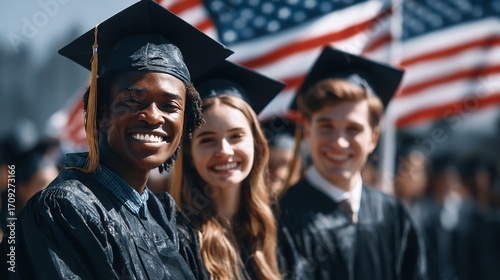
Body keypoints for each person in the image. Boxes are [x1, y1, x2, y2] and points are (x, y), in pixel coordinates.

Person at [0, 1, 232, 279]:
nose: (153, 117)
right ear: (100, 112)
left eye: (170, 106)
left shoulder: (165, 215)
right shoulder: (64, 211)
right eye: (132, 100)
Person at [279, 47, 427, 280]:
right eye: (326, 126)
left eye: (353, 129)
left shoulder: (393, 214)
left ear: (373, 138)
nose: (339, 142)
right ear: (308, 130)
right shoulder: (282, 218)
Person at [170, 60, 303, 279]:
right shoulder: (178, 238)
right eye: (207, 140)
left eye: (236, 136)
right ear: (190, 155)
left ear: (257, 144)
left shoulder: (276, 230)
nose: (224, 150)